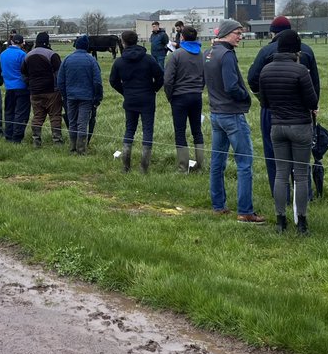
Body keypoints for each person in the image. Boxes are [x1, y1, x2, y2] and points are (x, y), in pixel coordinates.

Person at [247, 15, 320, 193]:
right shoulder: (307, 51)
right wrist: (313, 106)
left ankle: (281, 194)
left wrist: (265, 98)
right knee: (301, 156)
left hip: (273, 110)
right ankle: (304, 194)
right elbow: (314, 82)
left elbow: (252, 78)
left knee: (274, 154)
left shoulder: (266, 51)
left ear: (274, 33)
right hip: (302, 110)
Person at [257, 30, 318, 235]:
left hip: (277, 126)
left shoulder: (265, 71)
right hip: (300, 126)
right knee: (300, 175)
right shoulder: (300, 71)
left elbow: (264, 103)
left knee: (281, 173)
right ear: (296, 50)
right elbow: (312, 101)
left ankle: (280, 220)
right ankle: (301, 222)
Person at [204, 19, 263, 222]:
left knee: (217, 161)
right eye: (237, 33)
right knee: (244, 163)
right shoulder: (227, 55)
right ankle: (245, 211)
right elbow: (231, 86)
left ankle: (218, 205)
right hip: (232, 114)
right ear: (227, 33)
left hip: (216, 113)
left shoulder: (209, 52)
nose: (240, 36)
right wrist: (245, 96)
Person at [109, 30, 164, 173]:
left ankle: (126, 166)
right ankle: (144, 167)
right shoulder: (148, 59)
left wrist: (125, 92)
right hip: (147, 98)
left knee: (129, 129)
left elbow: (113, 81)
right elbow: (160, 76)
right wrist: (153, 89)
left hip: (130, 99)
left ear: (123, 42)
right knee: (148, 130)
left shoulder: (119, 62)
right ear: (136, 40)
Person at [163, 25, 205, 173]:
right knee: (197, 131)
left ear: (182, 37)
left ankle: (183, 167)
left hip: (179, 97)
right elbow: (204, 77)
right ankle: (200, 166)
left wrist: (170, 96)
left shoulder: (176, 55)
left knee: (180, 131)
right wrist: (199, 89)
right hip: (196, 96)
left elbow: (168, 80)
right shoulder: (201, 54)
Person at [57, 35, 103, 154]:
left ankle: (72, 148)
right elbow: (97, 81)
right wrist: (98, 97)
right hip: (86, 97)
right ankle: (81, 149)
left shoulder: (67, 59)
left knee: (72, 122)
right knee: (82, 123)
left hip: (71, 96)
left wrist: (65, 95)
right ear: (87, 46)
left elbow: (60, 81)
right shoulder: (91, 60)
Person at [22, 32, 62, 147]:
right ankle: (57, 141)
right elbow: (59, 73)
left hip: (35, 91)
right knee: (55, 116)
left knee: (38, 116)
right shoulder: (52, 55)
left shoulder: (28, 55)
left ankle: (36, 140)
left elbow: (23, 73)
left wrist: (29, 84)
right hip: (51, 91)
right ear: (47, 42)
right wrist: (59, 88)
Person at [0, 34, 29, 143]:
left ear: (12, 42)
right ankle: (17, 137)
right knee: (20, 113)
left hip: (8, 87)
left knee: (9, 112)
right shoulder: (22, 54)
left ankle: (8, 135)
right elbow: (25, 71)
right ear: (22, 43)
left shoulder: (3, 54)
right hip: (21, 86)